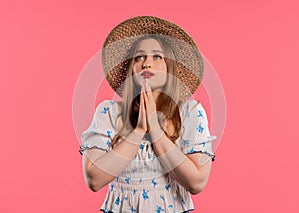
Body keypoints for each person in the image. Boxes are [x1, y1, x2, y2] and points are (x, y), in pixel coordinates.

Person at [79, 16, 216, 213]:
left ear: (170, 67)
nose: (146, 64)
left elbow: (197, 182)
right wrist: (139, 130)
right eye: (139, 57)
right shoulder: (108, 112)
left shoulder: (190, 112)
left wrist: (155, 129)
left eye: (157, 57)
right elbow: (94, 179)